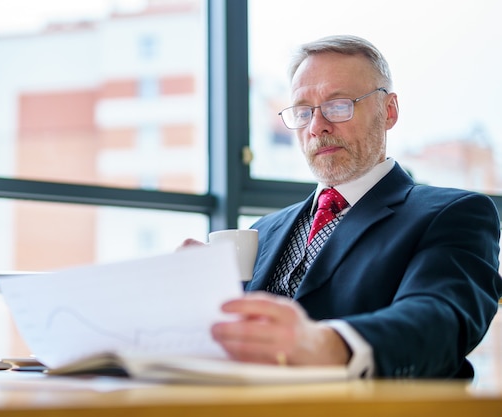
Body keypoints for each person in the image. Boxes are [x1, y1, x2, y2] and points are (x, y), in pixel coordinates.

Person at [182, 34, 502, 379]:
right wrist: (201, 298)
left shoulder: (455, 214)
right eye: (303, 111)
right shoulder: (263, 231)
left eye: (339, 105)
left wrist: (328, 344)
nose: (317, 126)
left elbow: (440, 317)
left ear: (389, 111)